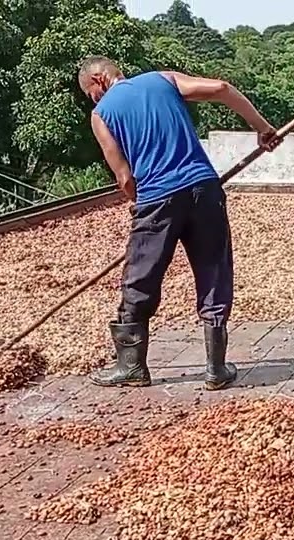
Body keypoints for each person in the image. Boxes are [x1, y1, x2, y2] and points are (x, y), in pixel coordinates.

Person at [76, 56, 282, 390]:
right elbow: (221, 88)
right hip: (204, 188)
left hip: (157, 197)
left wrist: (139, 205)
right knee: (213, 270)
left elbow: (125, 177)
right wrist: (262, 129)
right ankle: (216, 369)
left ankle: (131, 368)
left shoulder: (101, 115)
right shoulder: (162, 79)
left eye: (90, 94)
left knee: (140, 277)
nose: (94, 100)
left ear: (98, 80)